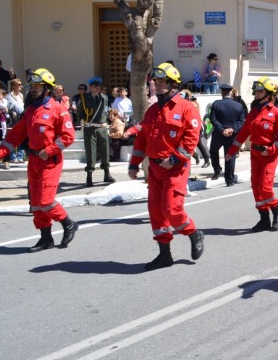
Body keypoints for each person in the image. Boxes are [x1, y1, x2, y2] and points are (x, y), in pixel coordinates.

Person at [125, 63, 205, 271]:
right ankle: (164, 255)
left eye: (162, 82)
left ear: (173, 84)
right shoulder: (153, 111)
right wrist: (134, 164)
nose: (157, 86)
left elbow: (191, 139)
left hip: (175, 168)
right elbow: (142, 138)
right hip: (154, 169)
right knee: (156, 212)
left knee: (172, 209)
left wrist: (175, 159)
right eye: (156, 82)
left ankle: (193, 233)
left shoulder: (186, 108)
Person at [0, 68, 79, 252]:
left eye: (37, 86)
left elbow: (68, 136)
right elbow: (15, 135)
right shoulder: (31, 111)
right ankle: (46, 238)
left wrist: (50, 149)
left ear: (47, 88)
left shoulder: (58, 109)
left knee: (46, 201)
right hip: (34, 160)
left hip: (50, 160)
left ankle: (68, 223)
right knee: (36, 203)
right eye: (32, 86)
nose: (33, 89)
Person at [226, 76, 278, 232]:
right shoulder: (254, 112)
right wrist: (231, 151)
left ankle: (277, 211)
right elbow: (243, 133)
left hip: (269, 155)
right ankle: (264, 219)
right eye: (256, 91)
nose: (256, 93)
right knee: (256, 187)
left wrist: (271, 150)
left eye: (260, 91)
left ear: (268, 93)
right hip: (255, 154)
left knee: (265, 187)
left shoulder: (276, 113)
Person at [80, 77, 115, 187]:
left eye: (99, 86)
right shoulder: (85, 98)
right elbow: (81, 113)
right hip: (90, 127)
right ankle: (89, 177)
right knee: (91, 152)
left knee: (105, 151)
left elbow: (105, 111)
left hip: (102, 127)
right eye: (96, 86)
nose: (98, 88)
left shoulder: (104, 98)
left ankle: (107, 174)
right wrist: (82, 124)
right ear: (91, 87)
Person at [209, 84, 246, 185]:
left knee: (213, 151)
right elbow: (242, 121)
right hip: (232, 135)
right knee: (230, 156)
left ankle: (217, 169)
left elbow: (213, 119)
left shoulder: (216, 104)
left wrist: (222, 130)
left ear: (222, 93)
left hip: (218, 134)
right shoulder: (238, 105)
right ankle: (229, 180)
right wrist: (232, 129)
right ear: (231, 92)